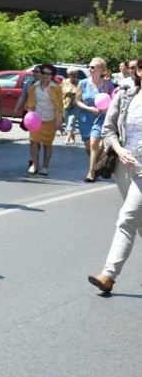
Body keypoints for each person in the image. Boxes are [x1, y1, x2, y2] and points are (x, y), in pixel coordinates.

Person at [87, 58, 142, 294]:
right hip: (123, 166)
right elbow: (108, 129)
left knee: (127, 218)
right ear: (139, 70)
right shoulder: (126, 94)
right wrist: (119, 150)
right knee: (139, 223)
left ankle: (108, 275)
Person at [77, 57, 115, 182]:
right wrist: (89, 108)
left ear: (101, 69)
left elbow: (113, 101)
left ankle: (91, 172)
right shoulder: (82, 83)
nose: (90, 69)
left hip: (100, 117)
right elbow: (77, 101)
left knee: (94, 144)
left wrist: (107, 108)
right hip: (85, 117)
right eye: (89, 66)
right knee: (89, 147)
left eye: (93, 67)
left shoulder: (108, 84)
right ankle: (98, 164)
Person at [25, 63, 64, 176]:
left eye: (48, 74)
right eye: (43, 73)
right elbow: (31, 103)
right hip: (36, 119)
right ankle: (35, 165)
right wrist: (29, 116)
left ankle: (45, 167)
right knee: (33, 141)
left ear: (52, 75)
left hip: (50, 119)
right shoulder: (34, 86)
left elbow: (59, 105)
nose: (45, 75)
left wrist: (59, 120)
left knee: (47, 144)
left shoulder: (56, 87)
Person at [62, 68, 81, 145]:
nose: (73, 76)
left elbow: (81, 92)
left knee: (71, 121)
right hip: (66, 104)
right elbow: (62, 92)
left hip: (76, 104)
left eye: (75, 74)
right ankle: (72, 137)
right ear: (68, 75)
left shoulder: (80, 82)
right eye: (71, 74)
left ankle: (67, 138)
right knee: (67, 123)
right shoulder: (64, 82)